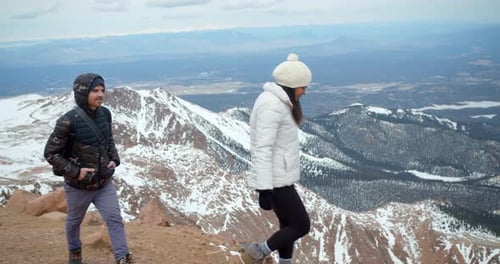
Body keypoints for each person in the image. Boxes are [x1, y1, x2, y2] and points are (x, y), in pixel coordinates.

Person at [44, 73, 133, 264]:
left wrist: (114, 160)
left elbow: (108, 140)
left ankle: (122, 257)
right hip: (78, 186)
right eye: (95, 90)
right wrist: (77, 172)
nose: (101, 94)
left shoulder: (105, 114)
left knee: (114, 218)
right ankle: (75, 254)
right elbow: (51, 153)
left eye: (102, 90)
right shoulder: (67, 121)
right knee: (74, 221)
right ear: (83, 93)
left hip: (104, 183)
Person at [244, 53, 311, 264]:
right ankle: (258, 251)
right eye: (302, 87)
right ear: (291, 85)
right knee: (301, 225)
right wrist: (264, 189)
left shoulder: (280, 102)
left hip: (279, 176)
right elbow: (262, 148)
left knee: (288, 223)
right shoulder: (272, 105)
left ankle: (285, 262)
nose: (304, 92)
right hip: (275, 180)